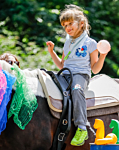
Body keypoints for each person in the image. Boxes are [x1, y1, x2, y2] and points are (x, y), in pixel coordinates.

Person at [46, 4, 109, 146]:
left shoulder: (90, 43)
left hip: (81, 76)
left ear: (81, 24)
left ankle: (82, 127)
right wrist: (51, 52)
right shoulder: (67, 43)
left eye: (70, 24)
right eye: (64, 25)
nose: (67, 28)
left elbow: (95, 69)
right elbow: (62, 65)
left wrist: (103, 55)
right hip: (65, 74)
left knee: (76, 90)